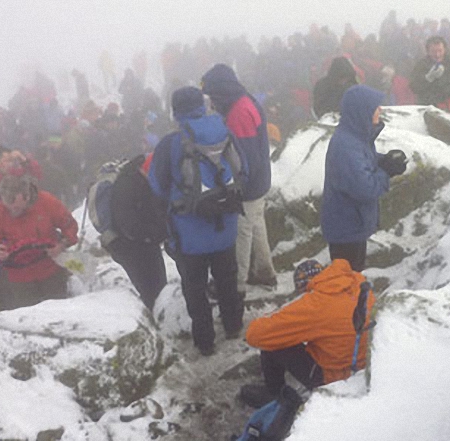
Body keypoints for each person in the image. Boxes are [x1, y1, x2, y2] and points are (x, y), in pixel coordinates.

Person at [149, 86, 246, 356]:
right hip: (225, 225)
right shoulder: (224, 132)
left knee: (195, 288)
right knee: (227, 278)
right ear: (202, 106)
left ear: (176, 112)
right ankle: (234, 325)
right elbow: (243, 169)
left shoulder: (171, 143)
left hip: (189, 232)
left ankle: (205, 342)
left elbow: (157, 186)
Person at [238, 258, 375, 408]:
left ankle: (275, 395)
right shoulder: (356, 282)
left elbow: (255, 335)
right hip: (366, 364)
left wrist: (278, 318)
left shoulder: (315, 305)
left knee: (273, 340)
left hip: (335, 377)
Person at [201, 64, 278, 295]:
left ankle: (236, 284)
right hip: (260, 179)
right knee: (256, 225)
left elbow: (245, 157)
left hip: (250, 184)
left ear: (222, 91)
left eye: (213, 96)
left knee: (242, 232)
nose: (212, 103)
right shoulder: (246, 102)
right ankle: (265, 273)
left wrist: (237, 188)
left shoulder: (239, 113)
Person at [321, 85, 407, 272]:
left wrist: (385, 160)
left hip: (351, 223)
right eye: (375, 106)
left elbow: (364, 161)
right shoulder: (346, 146)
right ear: (362, 111)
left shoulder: (355, 137)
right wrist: (386, 172)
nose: (380, 109)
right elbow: (364, 188)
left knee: (351, 277)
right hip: (346, 228)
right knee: (347, 280)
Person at [0, 174, 78, 312]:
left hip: (51, 272)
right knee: (30, 318)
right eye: (9, 208)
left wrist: (61, 246)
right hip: (19, 280)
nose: (13, 212)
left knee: (58, 314)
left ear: (27, 197)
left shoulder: (47, 202)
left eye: (18, 208)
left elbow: (70, 227)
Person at [106, 153, 168, 312]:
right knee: (150, 288)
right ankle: (154, 321)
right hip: (128, 245)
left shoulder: (142, 180)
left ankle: (158, 316)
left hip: (146, 241)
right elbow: (128, 223)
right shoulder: (126, 185)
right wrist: (157, 233)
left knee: (158, 285)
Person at [408, 36, 450, 113]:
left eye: (440, 51)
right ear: (428, 51)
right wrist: (428, 78)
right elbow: (413, 87)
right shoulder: (421, 65)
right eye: (433, 51)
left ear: (445, 50)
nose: (437, 55)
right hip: (428, 108)